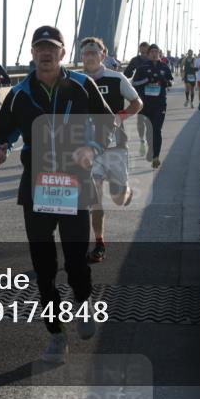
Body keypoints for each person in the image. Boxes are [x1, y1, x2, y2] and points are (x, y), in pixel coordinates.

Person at [0, 26, 117, 364]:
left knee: (76, 260)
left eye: (52, 48)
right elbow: (1, 135)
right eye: (39, 48)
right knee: (43, 267)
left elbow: (107, 124)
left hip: (75, 182)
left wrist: (91, 147)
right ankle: (56, 335)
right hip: (37, 186)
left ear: (62, 53)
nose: (45, 54)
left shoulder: (82, 85)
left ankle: (84, 302)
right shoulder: (18, 94)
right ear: (32, 54)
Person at [80, 37, 142, 264]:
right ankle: (99, 243)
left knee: (117, 198)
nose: (90, 56)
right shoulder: (78, 81)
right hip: (90, 148)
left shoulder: (117, 79)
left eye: (94, 52)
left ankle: (126, 193)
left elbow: (137, 103)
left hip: (116, 145)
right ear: (81, 56)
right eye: (86, 53)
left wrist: (117, 118)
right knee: (95, 198)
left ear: (103, 55)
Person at [131, 43, 173, 168]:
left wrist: (164, 80)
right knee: (149, 130)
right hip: (146, 104)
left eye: (156, 51)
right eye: (152, 52)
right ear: (148, 54)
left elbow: (171, 82)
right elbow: (134, 83)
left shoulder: (164, 67)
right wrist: (146, 81)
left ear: (159, 53)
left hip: (160, 103)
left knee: (157, 130)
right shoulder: (142, 68)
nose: (154, 54)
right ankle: (151, 149)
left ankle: (156, 157)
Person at [123, 42, 150, 156]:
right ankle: (142, 141)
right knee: (141, 119)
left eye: (145, 52)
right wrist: (130, 72)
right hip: (139, 93)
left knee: (151, 120)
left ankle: (151, 141)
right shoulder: (135, 60)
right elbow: (126, 74)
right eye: (141, 52)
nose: (143, 54)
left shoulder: (153, 59)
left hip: (152, 94)